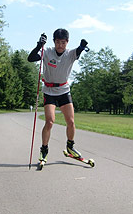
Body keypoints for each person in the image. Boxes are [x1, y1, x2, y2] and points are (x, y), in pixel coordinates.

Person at [27, 28, 88, 163]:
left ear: (67, 42)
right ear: (54, 42)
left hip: (64, 90)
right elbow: (31, 58)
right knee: (49, 121)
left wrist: (82, 46)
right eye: (58, 42)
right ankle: (44, 150)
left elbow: (78, 51)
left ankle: (70, 146)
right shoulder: (47, 52)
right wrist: (39, 45)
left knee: (71, 122)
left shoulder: (70, 54)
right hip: (49, 91)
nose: (60, 45)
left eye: (63, 43)